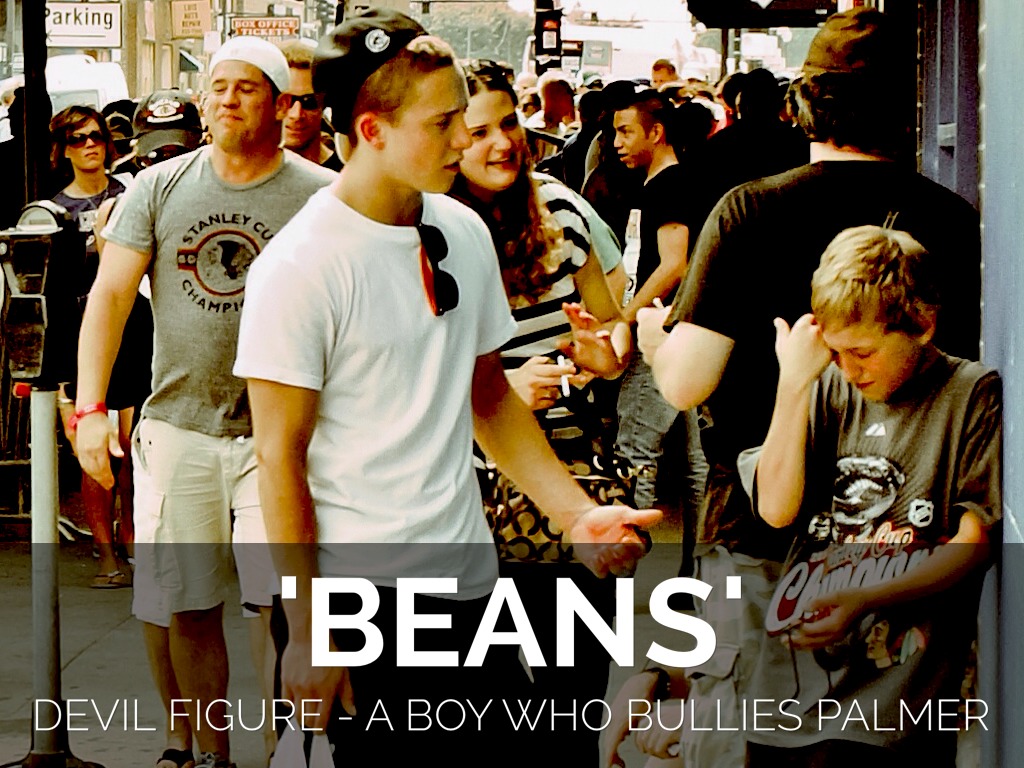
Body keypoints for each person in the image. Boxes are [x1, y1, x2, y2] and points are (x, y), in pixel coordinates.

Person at [233, 10, 659, 764]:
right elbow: (279, 457)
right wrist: (308, 626)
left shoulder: (460, 229)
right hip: (359, 602)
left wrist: (576, 516)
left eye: (464, 115)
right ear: (372, 130)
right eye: (443, 123)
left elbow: (486, 394)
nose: (465, 138)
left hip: (468, 585)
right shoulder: (299, 267)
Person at [634, 9, 982, 767]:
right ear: (909, 107)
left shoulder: (751, 209)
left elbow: (687, 383)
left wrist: (654, 341)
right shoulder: (954, 220)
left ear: (802, 104)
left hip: (763, 535)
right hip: (903, 539)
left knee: (756, 734)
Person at [74, 36, 335, 768]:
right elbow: (110, 297)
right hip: (179, 427)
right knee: (187, 605)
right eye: (218, 86)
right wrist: (90, 410)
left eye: (246, 88)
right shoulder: (159, 187)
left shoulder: (321, 196)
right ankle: (211, 755)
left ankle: (289, 748)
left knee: (281, 604)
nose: (227, 99)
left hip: (279, 436)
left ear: (280, 105)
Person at [741, 225, 999, 766]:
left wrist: (866, 598)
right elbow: (776, 509)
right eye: (834, 352)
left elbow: (973, 544)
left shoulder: (970, 394)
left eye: (862, 352)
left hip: (895, 706)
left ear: (922, 325)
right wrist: (792, 385)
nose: (848, 368)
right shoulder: (822, 384)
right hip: (788, 698)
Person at [449, 57, 631, 765]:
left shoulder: (562, 210)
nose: (502, 143)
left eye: (508, 124)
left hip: (564, 478)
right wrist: (501, 394)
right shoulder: (424, 228)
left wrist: (596, 352)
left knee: (572, 693)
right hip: (461, 494)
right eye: (478, 131)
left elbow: (612, 338)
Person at [610, 89, 708, 524]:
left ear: (656, 132)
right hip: (680, 329)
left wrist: (625, 317)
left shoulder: (668, 185)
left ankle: (629, 554)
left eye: (626, 132)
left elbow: (673, 264)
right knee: (693, 459)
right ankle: (703, 553)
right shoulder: (667, 183)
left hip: (661, 331)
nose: (617, 143)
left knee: (636, 450)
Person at [48, 105, 130, 589]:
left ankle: (135, 540)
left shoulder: (130, 194)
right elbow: (52, 292)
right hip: (80, 335)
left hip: (136, 329)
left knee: (135, 448)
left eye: (96, 136)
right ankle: (106, 554)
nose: (89, 145)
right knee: (93, 449)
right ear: (63, 149)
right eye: (77, 139)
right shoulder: (54, 210)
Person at [277, 38, 343, 170]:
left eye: (309, 101)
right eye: (285, 101)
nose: (296, 114)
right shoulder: (245, 172)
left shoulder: (347, 174)